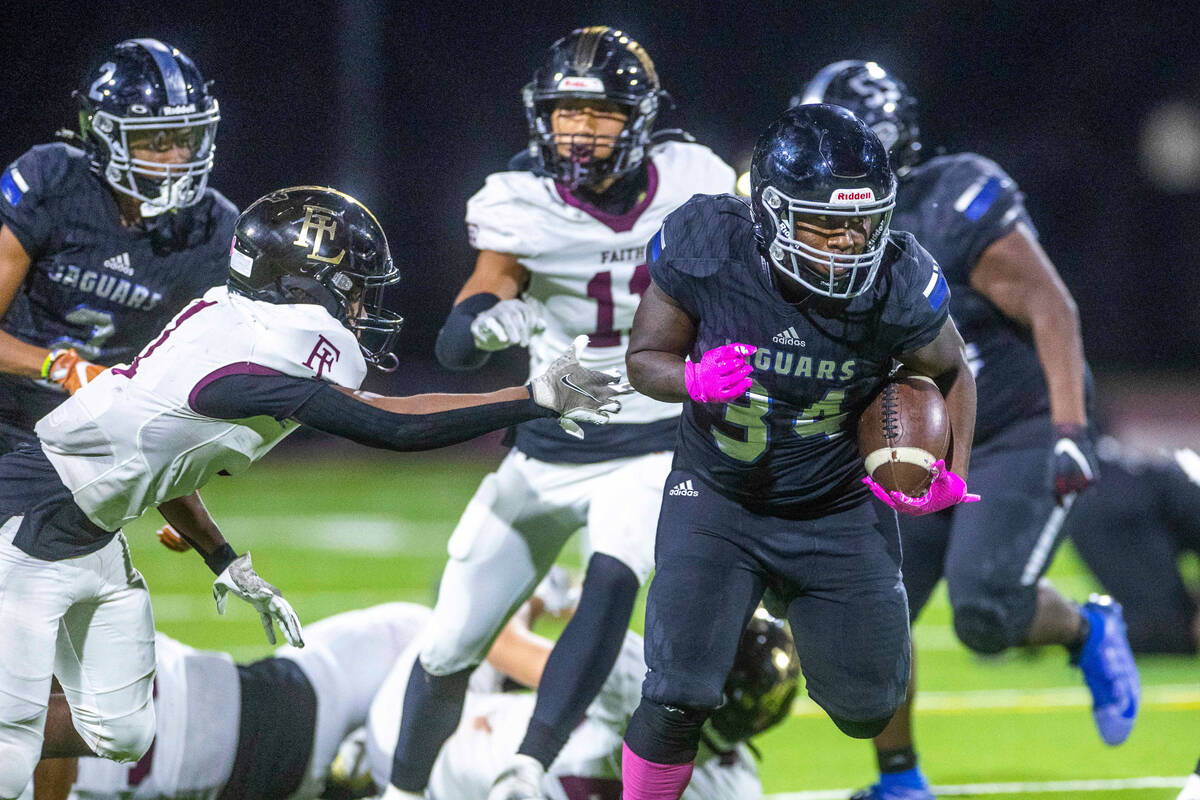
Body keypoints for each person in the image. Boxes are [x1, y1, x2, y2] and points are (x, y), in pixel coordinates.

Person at [0, 185, 628, 800]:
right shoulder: (261, 353)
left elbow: (153, 460)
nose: (361, 309)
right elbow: (391, 424)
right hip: (26, 522)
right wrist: (530, 398)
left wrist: (223, 557)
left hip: (88, 533)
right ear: (301, 284)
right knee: (12, 746)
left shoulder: (234, 322)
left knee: (124, 731)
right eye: (354, 291)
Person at [382, 26, 735, 800]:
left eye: (597, 111)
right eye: (563, 111)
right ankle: (401, 793)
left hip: (652, 437)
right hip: (548, 443)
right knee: (449, 643)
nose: (576, 129)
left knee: (613, 575)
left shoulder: (695, 180)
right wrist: (482, 326)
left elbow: (741, 278)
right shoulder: (518, 201)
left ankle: (530, 764)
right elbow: (457, 337)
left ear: (639, 118)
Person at [797, 61, 1141, 800]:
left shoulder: (954, 199)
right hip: (916, 435)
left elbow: (1053, 307)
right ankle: (901, 782)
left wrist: (1072, 429)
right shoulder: (815, 228)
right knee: (872, 604)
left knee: (985, 612)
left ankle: (1085, 630)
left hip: (1015, 427)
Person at [618, 103, 979, 800]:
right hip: (719, 498)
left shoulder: (899, 282)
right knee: (677, 693)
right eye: (826, 223)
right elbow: (645, 358)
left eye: (863, 223)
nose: (848, 243)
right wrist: (690, 379)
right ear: (770, 213)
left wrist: (950, 472)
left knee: (868, 705)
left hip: (835, 505)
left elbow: (952, 369)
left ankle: (795, 595)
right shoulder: (708, 243)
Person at [0, 38, 236, 453]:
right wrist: (60, 367)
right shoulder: (52, 181)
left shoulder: (213, 228)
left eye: (186, 138)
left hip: (98, 440)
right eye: (158, 142)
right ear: (105, 134)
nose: (178, 157)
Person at [367, 607, 800, 800]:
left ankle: (352, 756)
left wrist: (543, 593)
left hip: (417, 760)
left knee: (441, 626)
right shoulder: (738, 786)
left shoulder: (638, 685)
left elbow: (496, 640)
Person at [1067, 439, 1200, 654]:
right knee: (1163, 629)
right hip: (1110, 503)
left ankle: (1045, 619)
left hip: (1122, 485)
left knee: (1165, 627)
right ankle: (1043, 622)